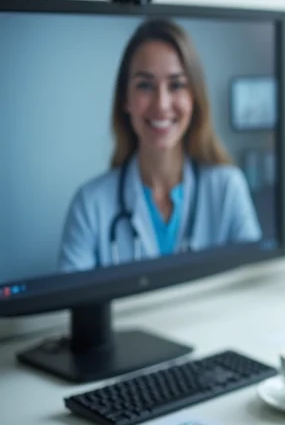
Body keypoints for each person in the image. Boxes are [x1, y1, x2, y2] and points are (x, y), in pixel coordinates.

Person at [58, 18, 261, 272]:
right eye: (145, 85)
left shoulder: (228, 188)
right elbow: (77, 309)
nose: (162, 104)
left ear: (194, 97)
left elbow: (253, 286)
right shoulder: (89, 205)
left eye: (176, 85)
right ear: (125, 99)